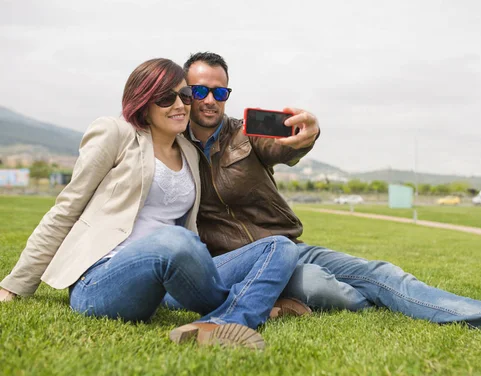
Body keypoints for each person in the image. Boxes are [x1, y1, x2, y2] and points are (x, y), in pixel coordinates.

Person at [182, 51, 481, 344]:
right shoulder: (173, 147)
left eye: (220, 93)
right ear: (186, 92)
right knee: (334, 293)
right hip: (242, 264)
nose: (211, 101)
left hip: (290, 247)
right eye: (201, 91)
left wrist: (307, 135)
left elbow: (282, 148)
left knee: (382, 273)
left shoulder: (245, 134)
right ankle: (284, 299)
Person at [0, 58, 300, 350]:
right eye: (166, 99)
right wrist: (15, 285)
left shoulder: (189, 152)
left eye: (184, 95)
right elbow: (67, 208)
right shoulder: (116, 134)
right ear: (144, 102)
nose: (180, 105)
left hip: (165, 281)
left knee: (280, 246)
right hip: (102, 280)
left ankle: (225, 323)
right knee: (174, 240)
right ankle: (257, 305)